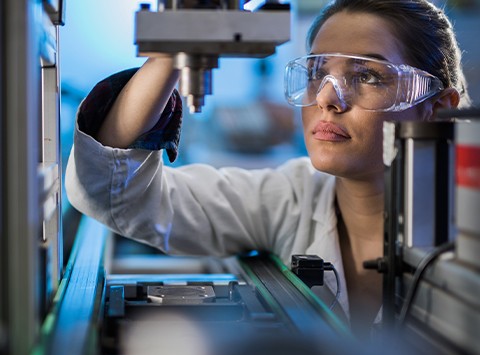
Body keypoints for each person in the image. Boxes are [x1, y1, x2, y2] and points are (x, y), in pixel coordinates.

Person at [65, 0, 470, 337]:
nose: (328, 98)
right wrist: (174, 49)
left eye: (367, 76)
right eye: (317, 73)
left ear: (437, 108)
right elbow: (110, 189)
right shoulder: (290, 197)